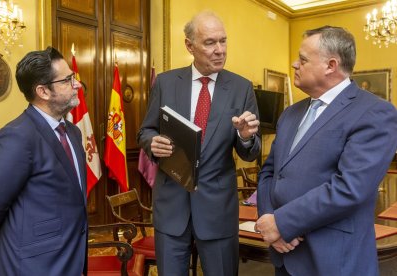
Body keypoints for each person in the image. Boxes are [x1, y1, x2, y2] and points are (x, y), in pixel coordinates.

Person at [255, 25, 397, 276]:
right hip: (284, 253)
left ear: (331, 65)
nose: (294, 64)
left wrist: (282, 223)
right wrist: (270, 222)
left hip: (334, 259)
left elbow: (350, 188)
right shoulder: (290, 113)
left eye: (302, 59)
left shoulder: (375, 112)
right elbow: (270, 172)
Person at [137, 11, 261, 276]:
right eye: (210, 43)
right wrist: (152, 143)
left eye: (223, 41)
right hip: (171, 208)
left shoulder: (241, 88)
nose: (220, 50)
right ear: (189, 45)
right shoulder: (166, 83)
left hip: (217, 211)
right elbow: (146, 130)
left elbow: (250, 154)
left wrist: (246, 137)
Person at [0, 47, 88, 275]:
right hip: (32, 264)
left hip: (70, 256)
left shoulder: (72, 132)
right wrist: (16, 237)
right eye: (68, 80)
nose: (77, 84)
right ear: (43, 91)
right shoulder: (16, 136)